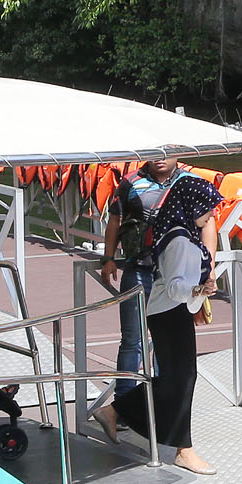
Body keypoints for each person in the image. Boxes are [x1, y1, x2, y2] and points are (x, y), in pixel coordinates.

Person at [90, 172, 220, 475]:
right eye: (208, 207)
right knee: (182, 378)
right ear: (192, 205)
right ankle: (183, 450)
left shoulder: (179, 230)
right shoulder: (180, 239)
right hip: (170, 312)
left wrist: (196, 292)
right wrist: (199, 291)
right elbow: (174, 286)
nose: (212, 214)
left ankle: (114, 411)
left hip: (170, 311)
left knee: (177, 378)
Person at [102, 158, 179, 396]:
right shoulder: (131, 181)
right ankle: (124, 401)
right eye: (155, 152)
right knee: (132, 341)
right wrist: (109, 258)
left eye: (167, 152)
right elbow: (115, 220)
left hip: (173, 275)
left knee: (166, 342)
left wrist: (208, 269)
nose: (160, 158)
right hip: (138, 270)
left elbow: (208, 222)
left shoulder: (188, 183)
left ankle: (161, 398)